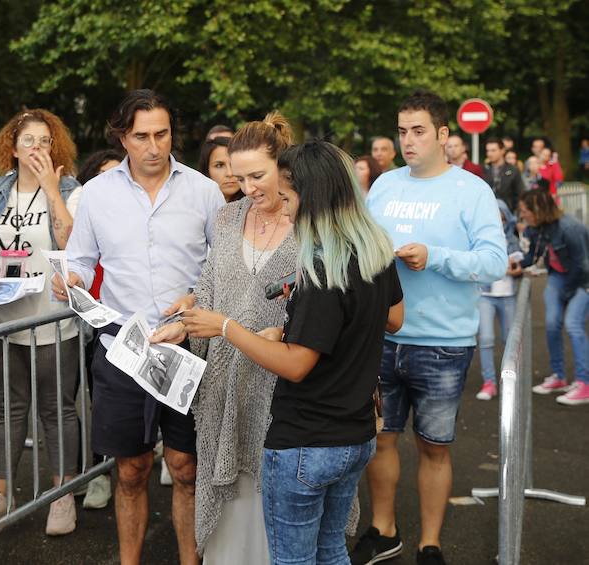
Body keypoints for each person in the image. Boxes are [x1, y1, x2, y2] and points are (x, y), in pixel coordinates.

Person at [172, 139, 403, 565]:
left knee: (294, 559)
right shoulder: (373, 247)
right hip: (356, 434)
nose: (288, 209)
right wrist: (307, 321)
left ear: (312, 195)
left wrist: (226, 327)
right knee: (331, 551)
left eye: (290, 197)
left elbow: (297, 365)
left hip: (307, 438)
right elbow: (393, 318)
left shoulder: (320, 268)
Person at [54, 89, 225, 565]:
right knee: (130, 470)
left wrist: (196, 300)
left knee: (185, 467)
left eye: (162, 134)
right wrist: (71, 279)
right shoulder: (96, 194)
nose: (154, 146)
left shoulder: (204, 191)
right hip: (122, 350)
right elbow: (81, 259)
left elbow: (222, 267)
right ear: (122, 138)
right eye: (142, 136)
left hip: (188, 347)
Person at [357, 90, 507, 565]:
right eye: (402, 131)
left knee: (434, 447)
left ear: (443, 134)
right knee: (380, 439)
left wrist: (434, 256)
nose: (408, 140)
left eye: (418, 131)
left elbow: (494, 262)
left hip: (443, 342)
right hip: (382, 335)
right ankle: (384, 531)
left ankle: (430, 544)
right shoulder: (384, 186)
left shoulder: (472, 190)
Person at [151, 111, 297, 564]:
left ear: (282, 166)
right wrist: (184, 321)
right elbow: (211, 284)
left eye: (258, 176)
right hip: (224, 381)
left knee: (278, 497)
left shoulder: (308, 221)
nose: (248, 187)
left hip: (279, 380)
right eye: (239, 176)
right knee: (230, 502)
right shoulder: (229, 216)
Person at [0, 108, 83, 535]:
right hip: (4, 321)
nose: (37, 148)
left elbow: (75, 244)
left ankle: (63, 495)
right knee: (6, 408)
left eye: (44, 140)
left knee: (57, 409)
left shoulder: (71, 190)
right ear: (13, 147)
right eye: (28, 140)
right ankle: (3, 492)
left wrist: (51, 190)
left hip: (52, 321)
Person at [75, 148, 124, 511]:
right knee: (96, 401)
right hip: (91, 322)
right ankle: (99, 474)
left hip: (126, 323)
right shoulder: (90, 212)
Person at [519, 190, 589, 405]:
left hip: (583, 279)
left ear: (537, 210)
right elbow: (532, 256)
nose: (522, 215)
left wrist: (567, 294)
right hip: (559, 275)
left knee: (573, 323)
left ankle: (585, 383)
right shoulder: (537, 227)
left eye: (525, 211)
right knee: (551, 323)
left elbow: (582, 266)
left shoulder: (570, 227)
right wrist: (515, 265)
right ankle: (559, 376)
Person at [476, 200, 522, 401]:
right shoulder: (480, 239)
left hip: (508, 295)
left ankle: (509, 380)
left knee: (509, 340)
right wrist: (504, 267)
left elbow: (517, 268)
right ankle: (489, 382)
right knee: (486, 338)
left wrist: (502, 267)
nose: (499, 221)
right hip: (485, 296)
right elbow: (481, 265)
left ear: (507, 218)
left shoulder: (512, 239)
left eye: (502, 218)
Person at [483, 137, 525, 212]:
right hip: (486, 211)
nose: (489, 154)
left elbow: (520, 194)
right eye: (487, 150)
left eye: (493, 150)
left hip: (508, 213)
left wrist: (512, 211)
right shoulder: (483, 170)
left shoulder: (513, 170)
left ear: (502, 151)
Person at [198, 136, 242, 202]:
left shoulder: (256, 205)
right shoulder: (194, 203)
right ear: (206, 169)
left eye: (234, 164)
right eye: (219, 166)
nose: (229, 173)